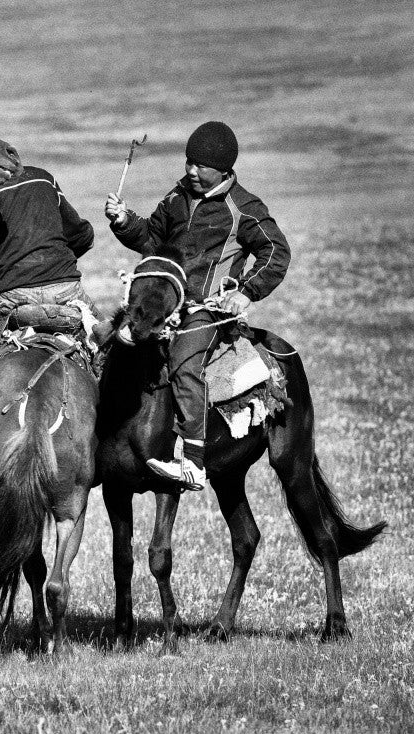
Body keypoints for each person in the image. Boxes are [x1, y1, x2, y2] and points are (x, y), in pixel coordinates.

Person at [104, 121, 291, 491]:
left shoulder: (244, 208)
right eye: (188, 162)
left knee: (185, 363)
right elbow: (152, 238)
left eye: (199, 166)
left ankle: (193, 460)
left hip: (207, 311)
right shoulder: (177, 197)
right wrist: (124, 221)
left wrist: (247, 292)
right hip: (163, 301)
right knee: (113, 343)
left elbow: (277, 252)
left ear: (223, 170)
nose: (190, 171)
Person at [0, 164, 95, 457]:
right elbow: (81, 236)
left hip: (11, 299)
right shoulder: (43, 178)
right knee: (108, 351)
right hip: (66, 292)